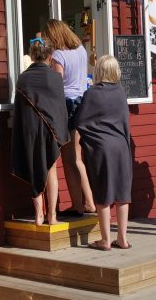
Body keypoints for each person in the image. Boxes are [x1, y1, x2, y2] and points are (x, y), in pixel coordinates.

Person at [75, 55, 132, 250]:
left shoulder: (91, 94)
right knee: (123, 193)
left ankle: (106, 240)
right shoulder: (121, 92)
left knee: (103, 194)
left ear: (99, 71)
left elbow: (81, 122)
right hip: (121, 147)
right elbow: (125, 122)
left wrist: (89, 141)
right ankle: (122, 239)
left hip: (102, 148)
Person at [11, 38, 69, 226]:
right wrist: (60, 133)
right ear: (50, 56)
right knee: (51, 170)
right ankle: (52, 216)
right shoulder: (55, 78)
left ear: (33, 55)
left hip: (29, 130)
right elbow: (60, 108)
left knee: (34, 169)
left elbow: (19, 110)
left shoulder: (23, 78)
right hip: (51, 132)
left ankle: (38, 216)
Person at [44, 18, 95, 216]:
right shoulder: (81, 50)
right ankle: (88, 202)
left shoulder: (58, 55)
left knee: (69, 158)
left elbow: (56, 85)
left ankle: (79, 205)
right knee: (77, 157)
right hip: (82, 103)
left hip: (66, 105)